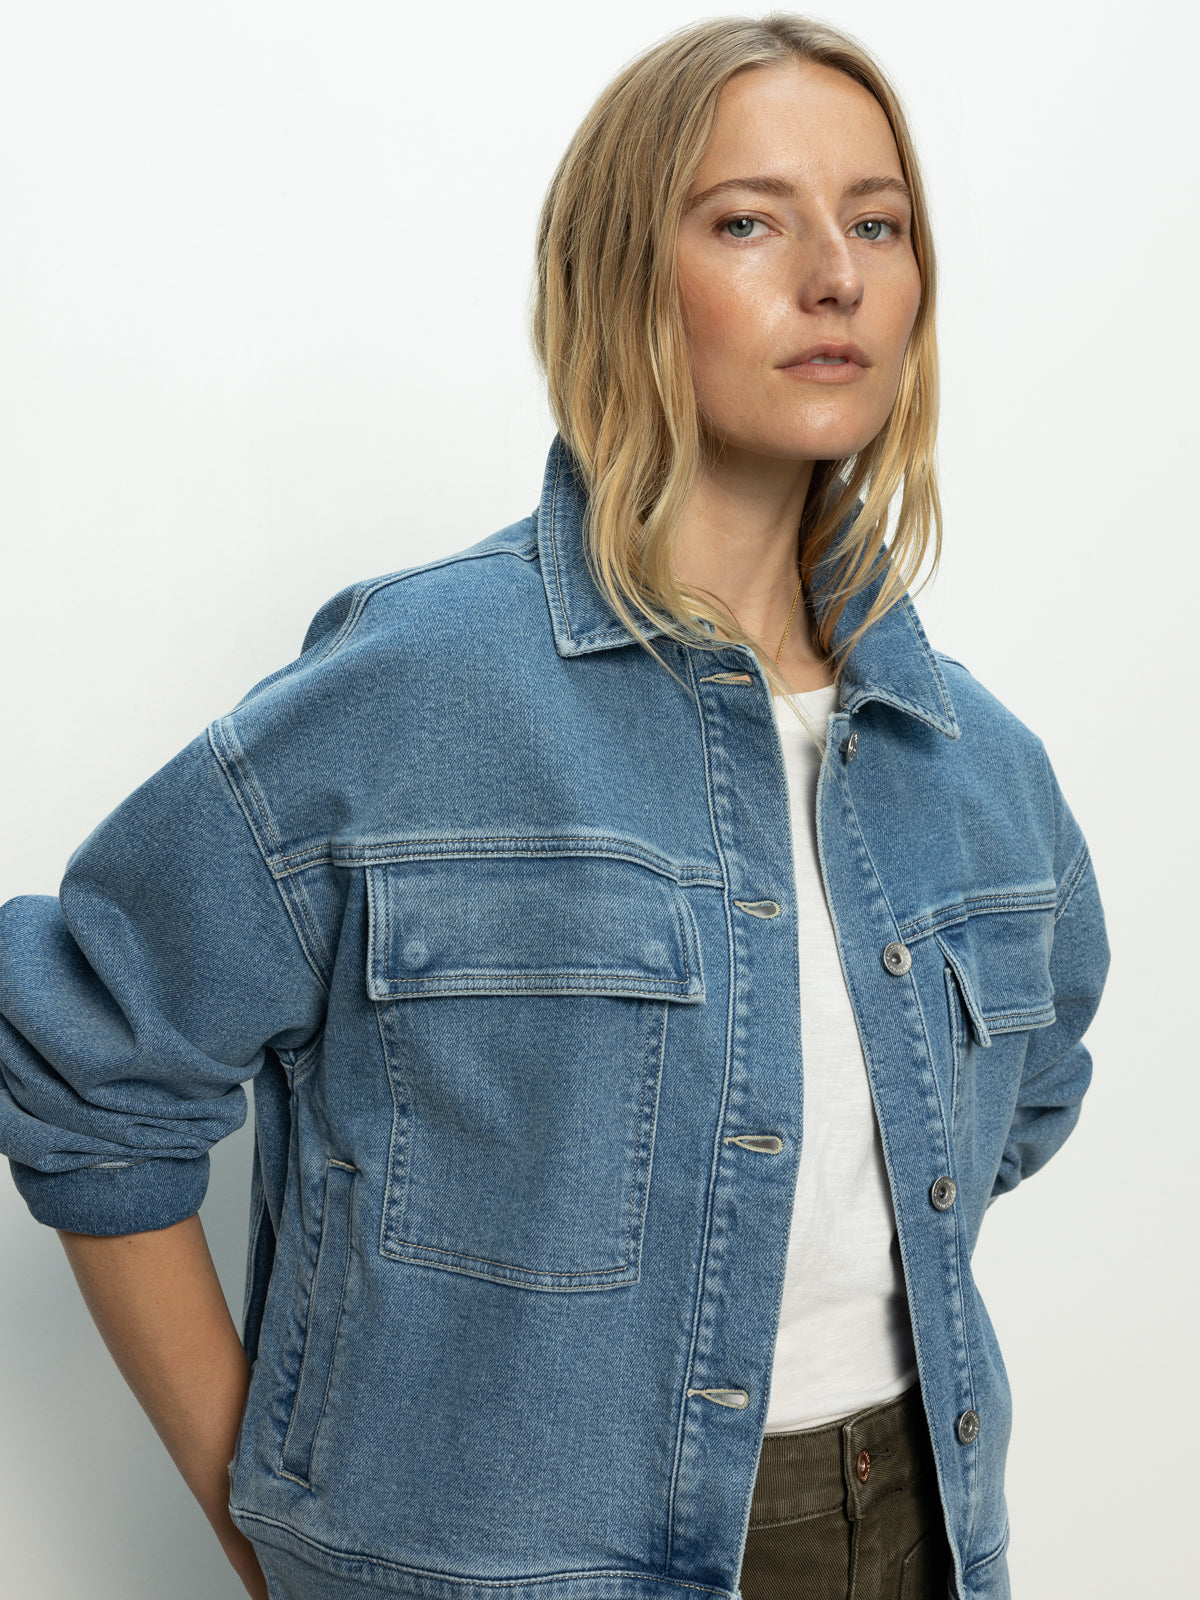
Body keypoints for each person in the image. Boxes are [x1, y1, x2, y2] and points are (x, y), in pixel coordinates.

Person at [0, 12, 1109, 1600]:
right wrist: (256, 1510)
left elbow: (1024, 1104)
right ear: (622, 276)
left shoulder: (976, 764)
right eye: (749, 220)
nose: (836, 276)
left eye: (878, 221)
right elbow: (89, 1057)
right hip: (503, 1561)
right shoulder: (420, 685)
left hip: (916, 1524)